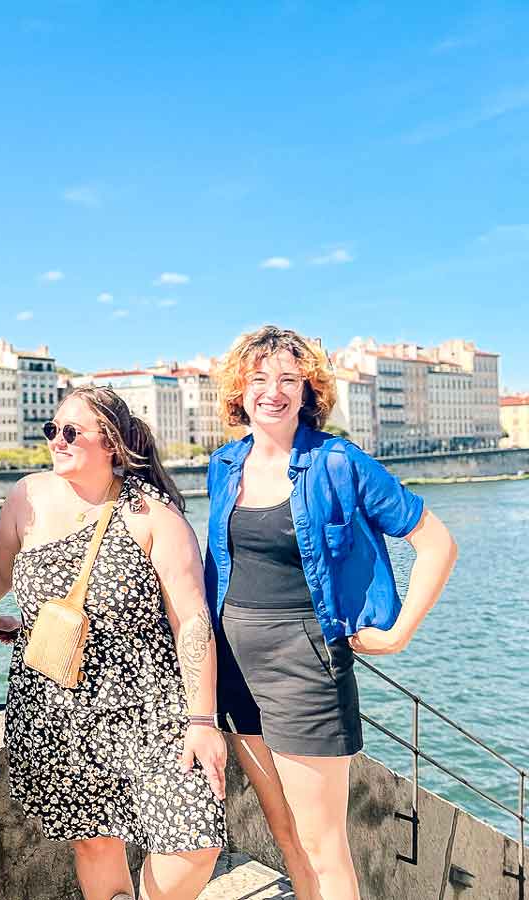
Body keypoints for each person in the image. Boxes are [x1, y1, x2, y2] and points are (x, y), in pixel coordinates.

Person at [206, 326, 458, 900]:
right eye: (260, 379)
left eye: (288, 380)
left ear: (307, 390)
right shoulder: (224, 464)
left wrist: (398, 634)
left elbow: (437, 542)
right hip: (235, 670)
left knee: (324, 848)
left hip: (306, 666)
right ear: (239, 391)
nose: (273, 391)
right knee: (285, 833)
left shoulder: (338, 461)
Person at [0, 386, 227, 900]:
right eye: (51, 430)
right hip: (57, 708)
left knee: (194, 838)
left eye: (71, 432)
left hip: (150, 707)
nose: (57, 440)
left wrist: (203, 721)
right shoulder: (26, 496)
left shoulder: (150, 513)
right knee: (95, 845)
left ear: (113, 444)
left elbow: (191, 618)